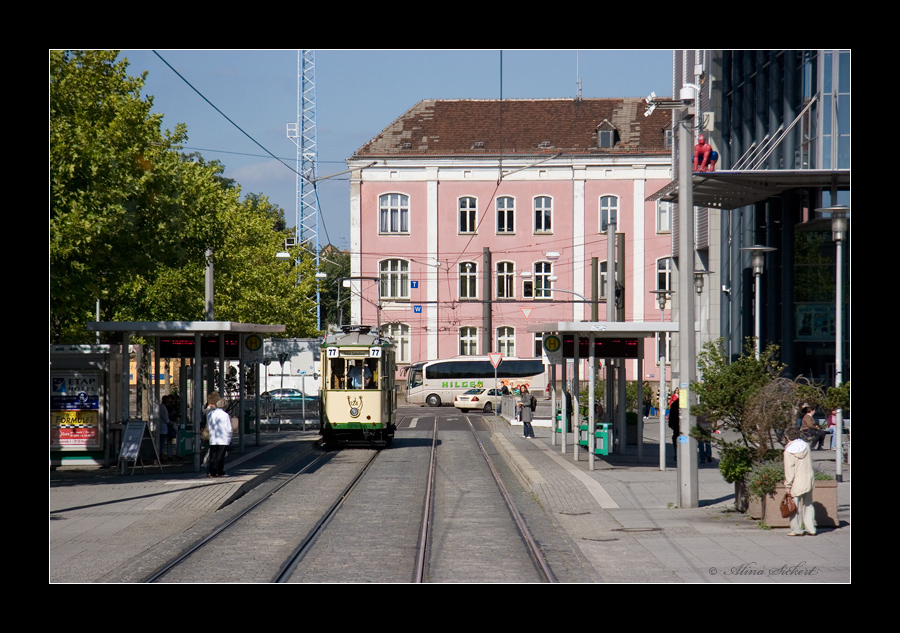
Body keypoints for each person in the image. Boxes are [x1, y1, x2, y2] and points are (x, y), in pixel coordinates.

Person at [783, 426, 816, 536]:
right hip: (808, 477)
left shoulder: (789, 451)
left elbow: (789, 470)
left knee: (794, 506)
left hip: (797, 480)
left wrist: (787, 485)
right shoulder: (806, 446)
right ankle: (811, 528)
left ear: (787, 437)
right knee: (808, 505)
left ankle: (796, 529)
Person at [206, 391, 233, 478]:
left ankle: (212, 472)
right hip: (223, 438)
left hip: (213, 438)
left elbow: (209, 426)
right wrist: (229, 438)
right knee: (221, 456)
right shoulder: (225, 415)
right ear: (224, 406)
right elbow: (228, 428)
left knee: (213, 455)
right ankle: (220, 471)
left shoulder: (210, 414)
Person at [158, 395, 173, 461]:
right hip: (163, 427)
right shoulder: (163, 408)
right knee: (162, 442)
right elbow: (166, 419)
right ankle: (161, 455)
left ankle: (161, 454)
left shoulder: (160, 407)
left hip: (160, 426)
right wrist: (170, 423)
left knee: (161, 442)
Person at [667, 391, 679, 463]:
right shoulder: (688, 404)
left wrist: (670, 424)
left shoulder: (675, 404)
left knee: (675, 439)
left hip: (676, 425)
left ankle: (676, 453)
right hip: (682, 425)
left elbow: (671, 415)